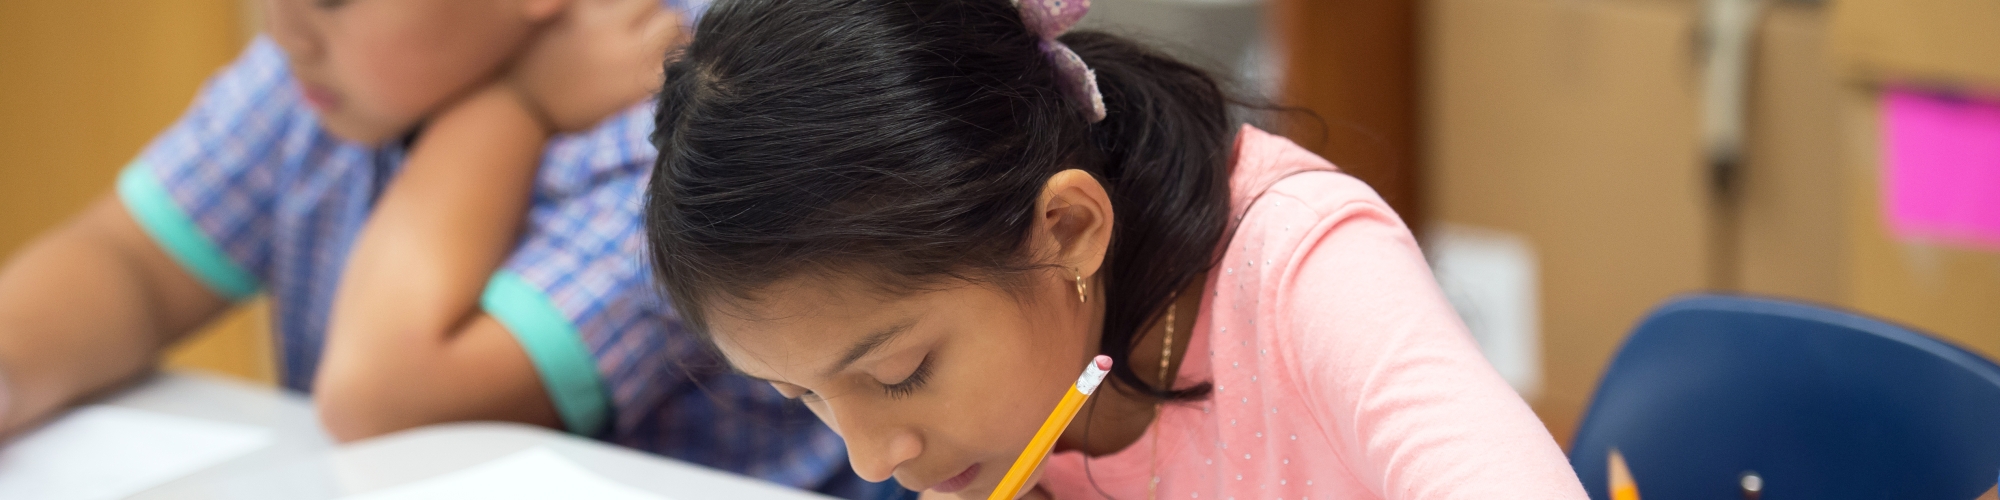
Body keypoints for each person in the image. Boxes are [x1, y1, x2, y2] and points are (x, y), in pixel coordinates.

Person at [641, 0, 1590, 498]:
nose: (873, 460)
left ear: (1067, 230)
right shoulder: (1015, 388)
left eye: (901, 372)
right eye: (802, 397)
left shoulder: (1304, 267)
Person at [0, 0, 896, 497]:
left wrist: (510, 111)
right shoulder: (320, 83)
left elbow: (384, 401)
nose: (283, 29)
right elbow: (125, 263)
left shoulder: (679, 109)